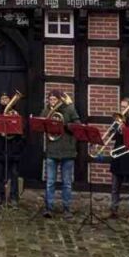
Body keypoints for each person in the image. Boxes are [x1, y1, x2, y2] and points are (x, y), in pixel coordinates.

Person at [42, 90, 80, 218]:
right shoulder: (47, 110)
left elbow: (77, 126)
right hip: (52, 150)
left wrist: (64, 125)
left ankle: (67, 208)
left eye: (54, 99)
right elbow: (41, 123)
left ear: (60, 100)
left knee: (67, 182)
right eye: (50, 99)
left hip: (67, 150)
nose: (52, 102)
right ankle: (49, 208)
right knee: (50, 182)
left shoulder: (69, 109)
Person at [109, 98, 129, 222]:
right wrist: (117, 127)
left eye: (124, 107)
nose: (122, 109)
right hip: (118, 154)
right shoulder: (117, 119)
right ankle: (113, 209)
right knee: (115, 186)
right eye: (121, 107)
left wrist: (125, 128)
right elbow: (113, 136)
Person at [0, 92, 24, 209]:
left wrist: (16, 120)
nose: (5, 100)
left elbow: (22, 129)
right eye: (3, 98)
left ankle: (14, 197)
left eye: (7, 98)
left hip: (14, 148)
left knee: (14, 174)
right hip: (0, 148)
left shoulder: (16, 113)